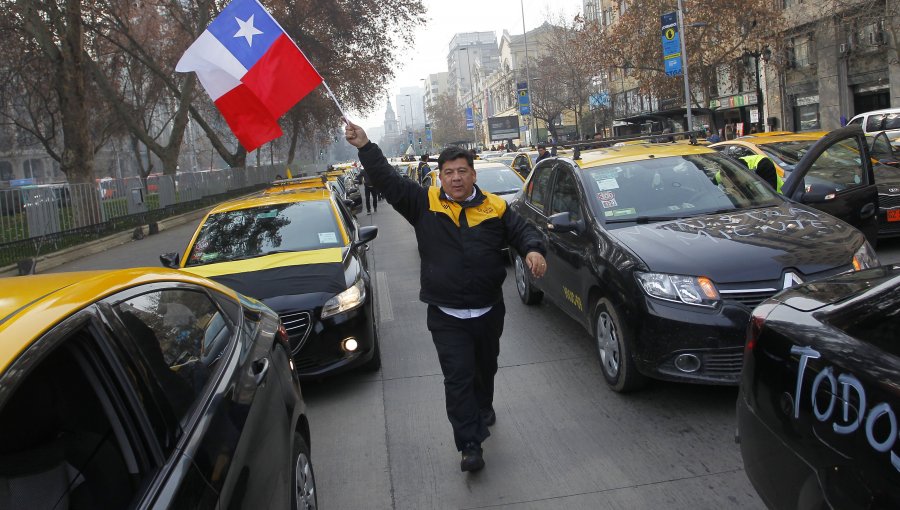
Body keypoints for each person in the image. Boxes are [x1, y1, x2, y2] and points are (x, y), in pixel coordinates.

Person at [344, 122, 547, 473]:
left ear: (473, 175)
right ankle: (469, 444)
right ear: (439, 177)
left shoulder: (495, 207)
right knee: (458, 377)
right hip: (446, 314)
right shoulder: (425, 203)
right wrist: (365, 146)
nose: (455, 178)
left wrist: (533, 250)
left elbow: (523, 231)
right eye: (448, 172)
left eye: (462, 171)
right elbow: (388, 180)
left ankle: (484, 406)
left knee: (485, 369)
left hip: (488, 312)